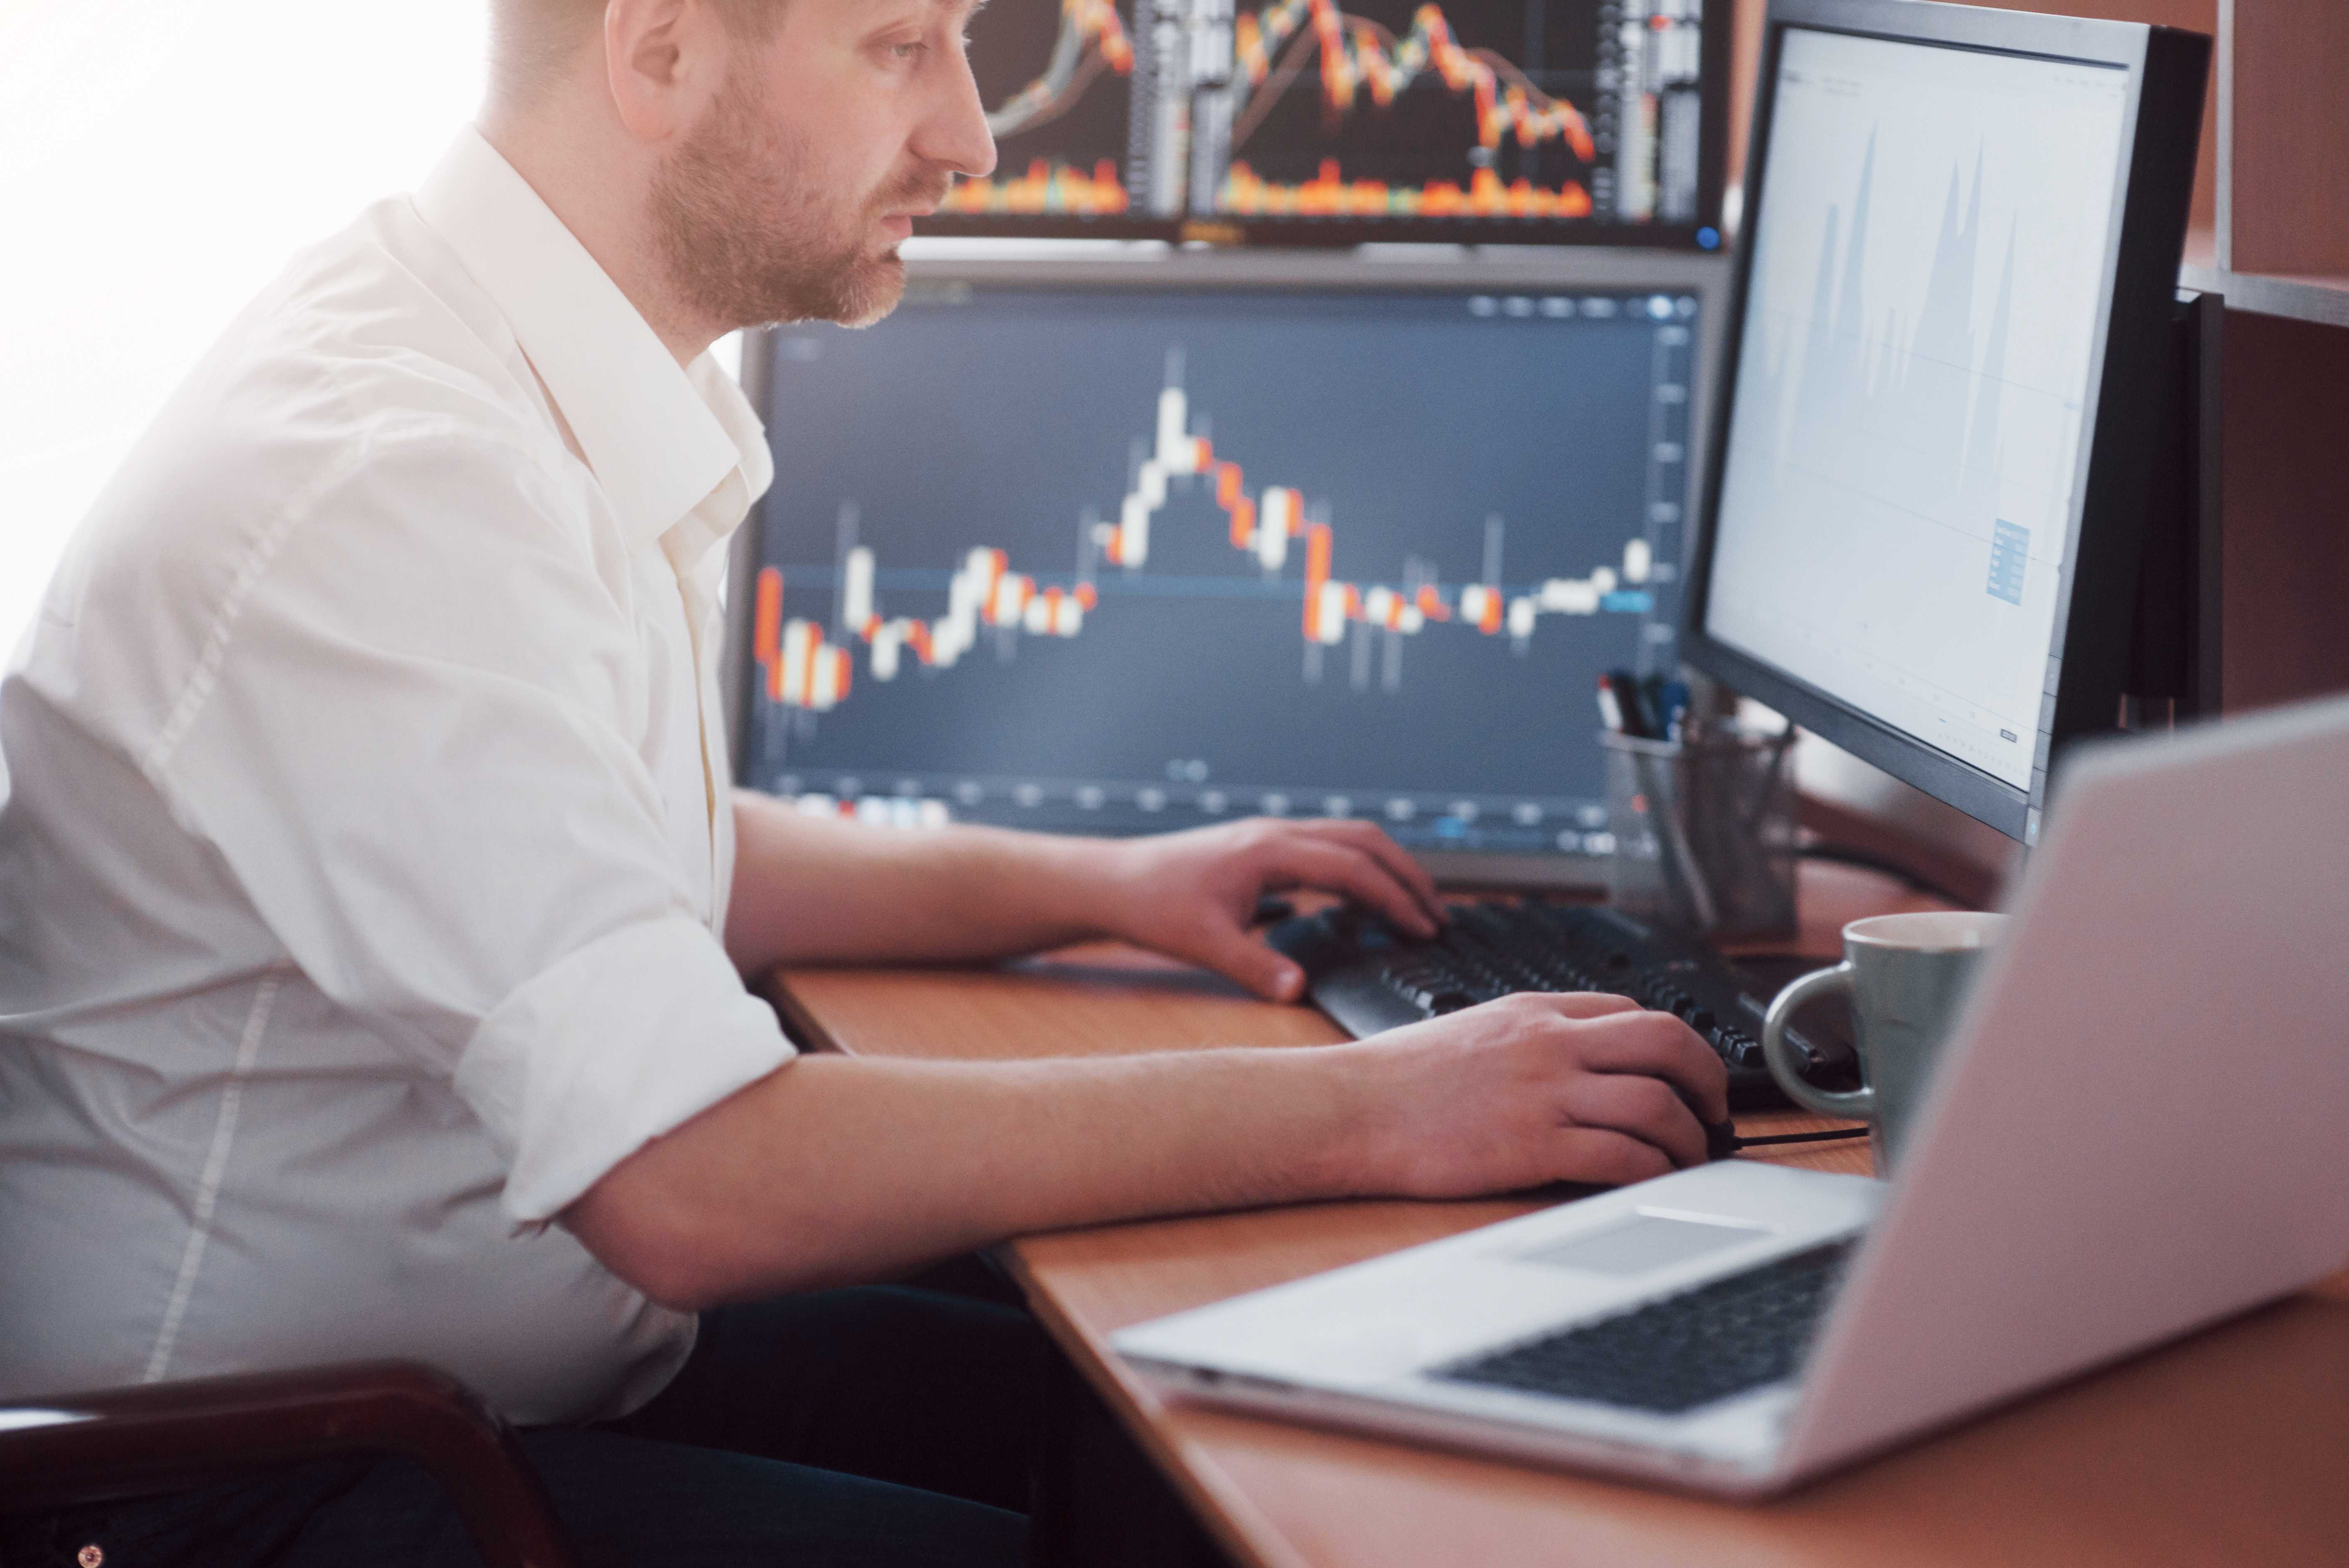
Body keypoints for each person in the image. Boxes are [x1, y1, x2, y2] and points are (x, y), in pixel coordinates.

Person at [0, 0, 1728, 1562]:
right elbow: (695, 1182)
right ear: (659, 54)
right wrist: (1385, 1107)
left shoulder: (490, 359)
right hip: (240, 1489)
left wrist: (1092, 884)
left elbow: (619, 862)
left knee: (1125, 1418)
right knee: (1145, 1491)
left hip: (491, 1362)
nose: (973, 134)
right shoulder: (393, 478)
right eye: (903, 45)